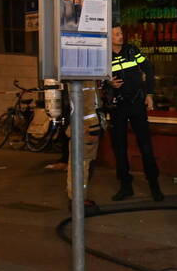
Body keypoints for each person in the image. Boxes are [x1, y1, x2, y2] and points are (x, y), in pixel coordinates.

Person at [107, 24, 162, 201]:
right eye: (116, 34)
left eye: (121, 33)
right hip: (118, 106)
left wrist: (150, 95)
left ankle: (154, 186)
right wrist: (109, 83)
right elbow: (95, 78)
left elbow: (149, 68)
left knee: (146, 145)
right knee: (119, 147)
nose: (120, 36)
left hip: (137, 103)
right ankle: (125, 186)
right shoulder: (103, 56)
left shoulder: (131, 50)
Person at [66, 81, 103, 212]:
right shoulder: (87, 78)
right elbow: (88, 106)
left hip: (79, 124)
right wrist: (93, 126)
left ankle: (76, 198)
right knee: (82, 164)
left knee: (77, 163)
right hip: (85, 127)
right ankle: (78, 200)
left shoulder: (77, 76)